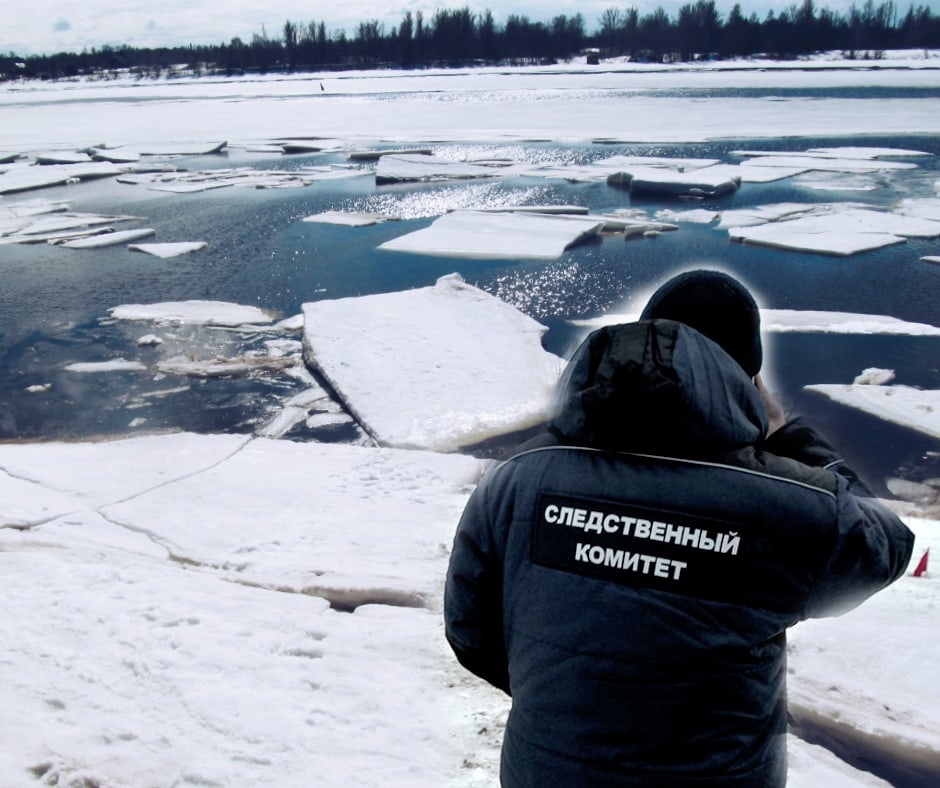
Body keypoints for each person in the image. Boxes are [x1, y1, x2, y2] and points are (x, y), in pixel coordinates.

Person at [444, 269, 914, 787]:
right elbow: (886, 544)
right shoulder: (789, 501)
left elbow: (470, 630)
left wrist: (570, 698)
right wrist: (788, 433)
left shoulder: (517, 477)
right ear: (745, 380)